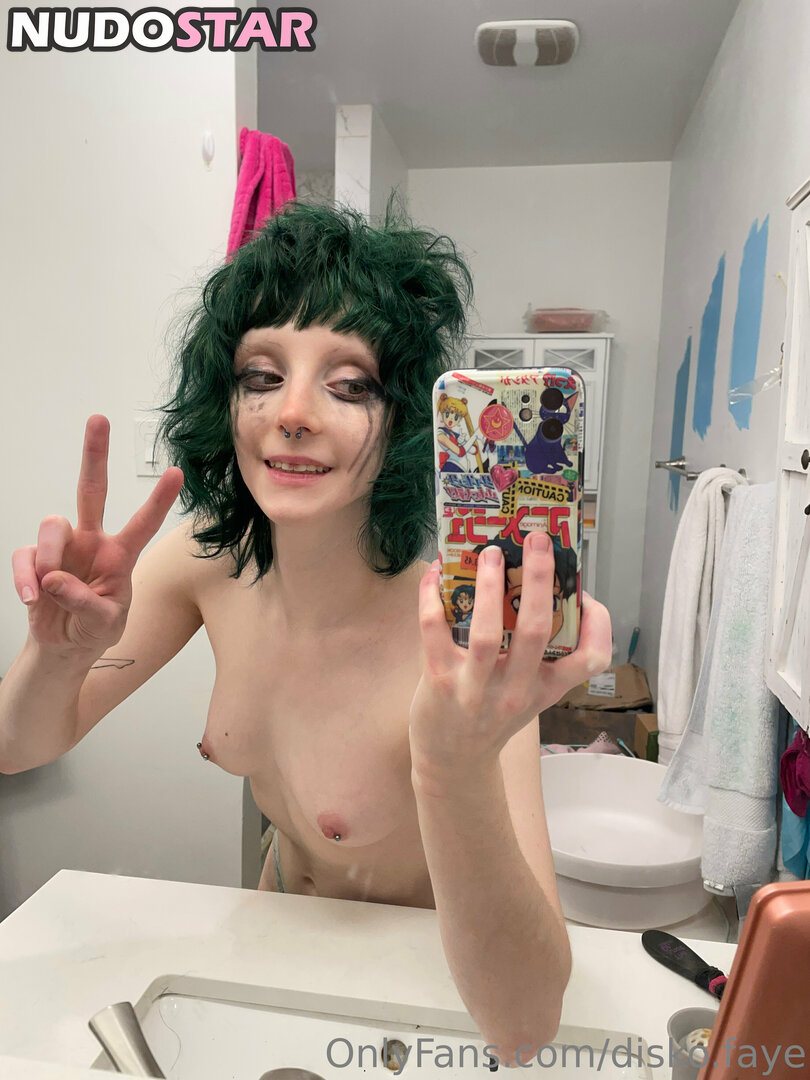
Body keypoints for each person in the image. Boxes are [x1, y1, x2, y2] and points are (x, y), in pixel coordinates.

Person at [0, 202, 611, 1064]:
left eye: (350, 384)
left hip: (433, 989)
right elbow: (18, 747)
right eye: (260, 375)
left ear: (406, 419)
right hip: (273, 951)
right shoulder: (203, 562)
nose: (292, 412)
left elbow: (524, 1027)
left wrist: (452, 765)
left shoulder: (461, 639)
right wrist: (55, 658)